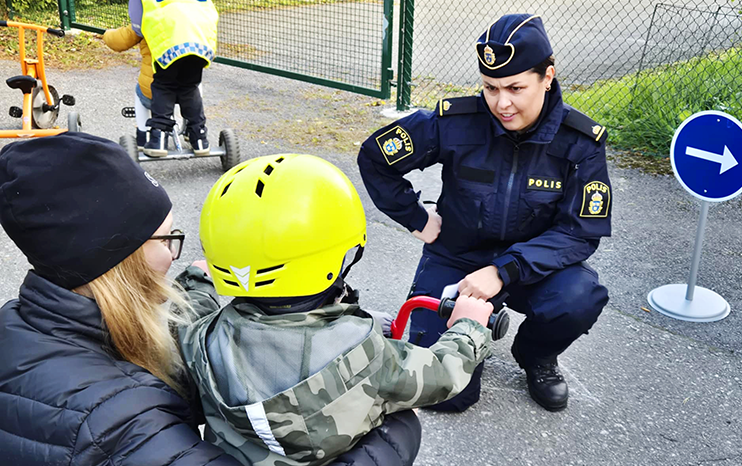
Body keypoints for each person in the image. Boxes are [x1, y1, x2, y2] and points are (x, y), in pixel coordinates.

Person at [357, 13, 611, 413]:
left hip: (532, 267)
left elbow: (579, 232)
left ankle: (536, 356)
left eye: (515, 87)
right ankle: (472, 337)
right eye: (490, 88)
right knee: (447, 396)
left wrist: (503, 271)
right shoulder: (457, 122)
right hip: (456, 258)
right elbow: (376, 156)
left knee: (580, 297)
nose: (502, 103)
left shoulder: (579, 142)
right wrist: (417, 219)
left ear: (548, 76)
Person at [178, 153, 495, 466]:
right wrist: (469, 328)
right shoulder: (367, 353)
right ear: (340, 254)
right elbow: (442, 373)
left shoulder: (203, 339)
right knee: (405, 418)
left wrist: (198, 280)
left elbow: (186, 316)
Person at [0, 132, 240, 465]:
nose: (173, 255)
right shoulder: (123, 423)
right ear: (119, 262)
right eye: (166, 238)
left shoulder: (17, 326)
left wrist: (199, 287)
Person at [140, 0, 218, 157]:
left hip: (171, 37)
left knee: (163, 86)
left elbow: (138, 18)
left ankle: (159, 138)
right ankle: (199, 137)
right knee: (189, 86)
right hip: (199, 37)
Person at [102, 0, 153, 150]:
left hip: (154, 90)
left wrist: (106, 34)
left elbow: (118, 41)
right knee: (194, 84)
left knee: (141, 93)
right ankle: (193, 127)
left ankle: (143, 136)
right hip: (186, 92)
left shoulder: (145, 24)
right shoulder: (188, 29)